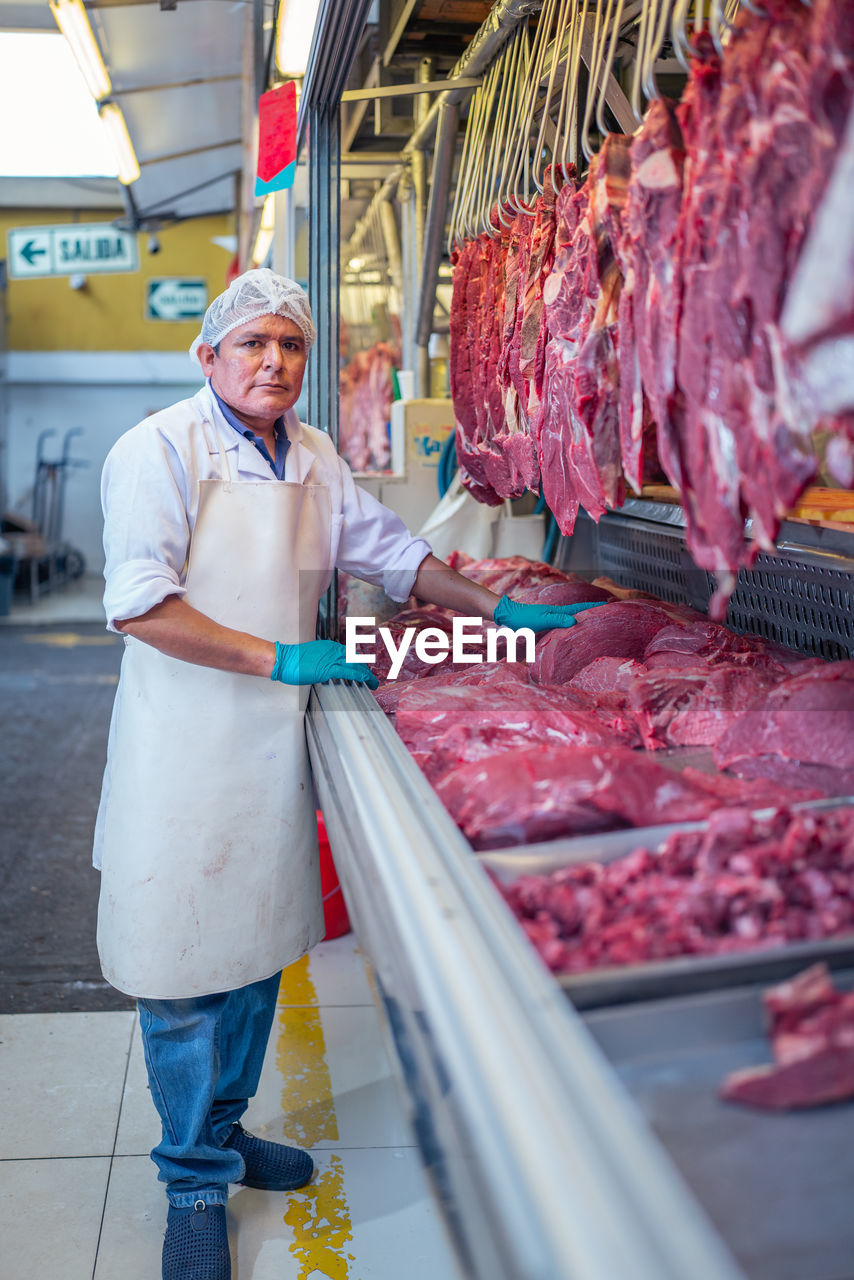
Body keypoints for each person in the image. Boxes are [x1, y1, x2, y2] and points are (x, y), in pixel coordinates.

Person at [94, 267, 599, 1280]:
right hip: (184, 748)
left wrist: (502, 612)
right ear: (210, 356)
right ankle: (191, 1179)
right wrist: (278, 655)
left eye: (290, 345)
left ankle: (225, 1132)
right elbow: (141, 603)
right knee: (183, 972)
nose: (273, 361)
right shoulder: (154, 449)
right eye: (252, 344)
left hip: (269, 747)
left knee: (248, 956)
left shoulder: (314, 455)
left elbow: (396, 558)